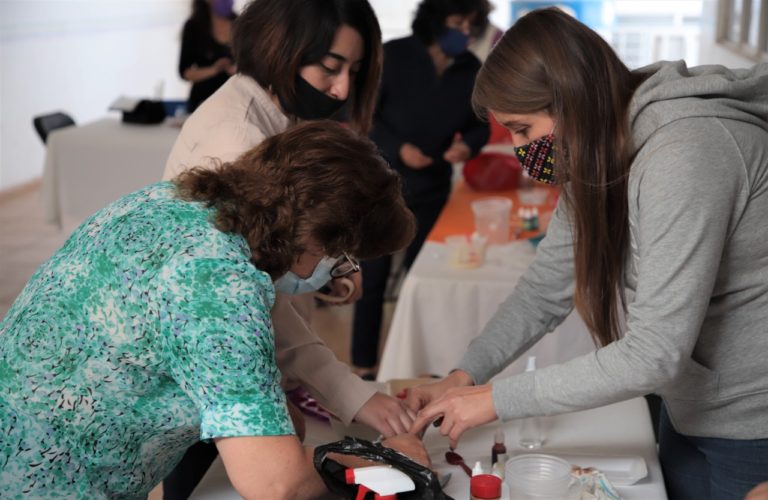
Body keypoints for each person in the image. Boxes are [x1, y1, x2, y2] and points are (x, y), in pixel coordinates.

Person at [406, 8, 768, 500]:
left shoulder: (685, 153)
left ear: (570, 101)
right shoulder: (599, 148)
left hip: (751, 423)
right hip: (690, 403)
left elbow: (653, 353)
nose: (520, 151)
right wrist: (463, 376)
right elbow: (543, 291)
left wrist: (495, 399)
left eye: (522, 129)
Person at [0, 122, 428, 498]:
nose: (337, 272)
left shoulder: (177, 201)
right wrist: (379, 458)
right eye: (342, 259)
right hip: (47, 478)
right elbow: (274, 483)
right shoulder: (219, 284)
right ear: (314, 238)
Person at [163, 0, 416, 497]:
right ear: (282, 48)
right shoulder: (237, 140)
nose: (341, 89)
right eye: (330, 67)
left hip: (228, 363)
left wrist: (333, 262)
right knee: (201, 480)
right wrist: (351, 402)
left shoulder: (275, 115)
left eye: (353, 71)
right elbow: (277, 484)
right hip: (197, 377)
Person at [350, 0, 491, 377]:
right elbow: (364, 116)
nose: (464, 31)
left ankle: (414, 364)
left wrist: (467, 146)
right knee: (373, 279)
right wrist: (399, 149)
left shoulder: (470, 68)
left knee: (421, 279)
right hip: (379, 184)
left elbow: (480, 125)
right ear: (436, 19)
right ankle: (363, 364)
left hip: (432, 187)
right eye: (457, 21)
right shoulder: (394, 55)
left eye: (471, 25)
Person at [178, 0, 237, 113]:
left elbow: (254, 64)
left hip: (235, 102)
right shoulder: (194, 27)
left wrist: (238, 70)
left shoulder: (240, 24)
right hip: (202, 102)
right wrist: (214, 69)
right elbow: (185, 72)